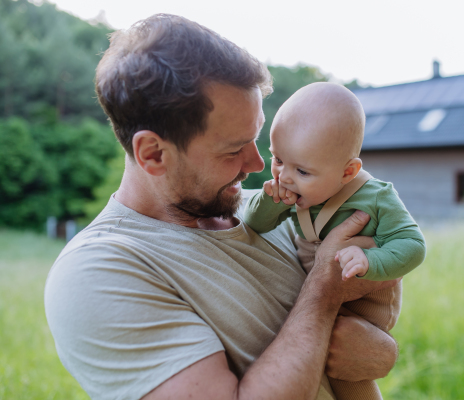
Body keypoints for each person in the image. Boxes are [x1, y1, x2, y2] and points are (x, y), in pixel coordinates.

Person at [44, 14, 400, 400]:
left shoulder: (275, 209)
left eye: (257, 139)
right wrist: (323, 294)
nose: (258, 165)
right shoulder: (97, 271)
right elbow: (324, 302)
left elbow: (361, 340)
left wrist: (380, 351)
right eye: (233, 149)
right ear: (153, 153)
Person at [243, 82, 426, 400]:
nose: (284, 176)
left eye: (301, 170)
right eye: (278, 160)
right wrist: (271, 201)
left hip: (365, 304)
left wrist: (370, 261)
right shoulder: (297, 188)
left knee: (350, 380)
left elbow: (413, 246)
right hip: (322, 301)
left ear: (348, 172)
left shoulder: (377, 197)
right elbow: (255, 224)